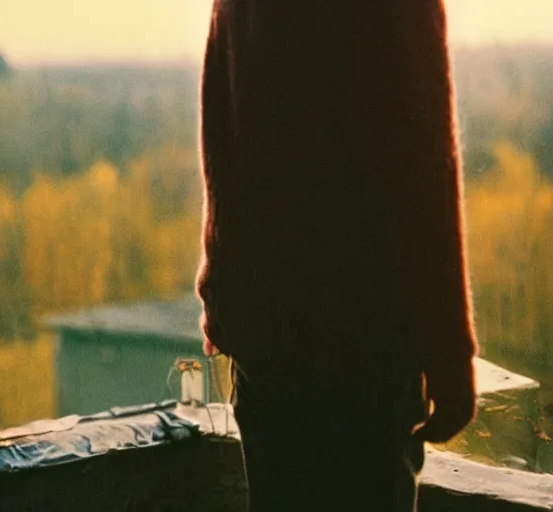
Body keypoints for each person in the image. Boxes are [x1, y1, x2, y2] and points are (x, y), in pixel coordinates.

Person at [196, 1, 478, 510]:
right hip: (364, 344)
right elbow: (422, 158)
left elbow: (222, 123)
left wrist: (224, 294)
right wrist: (448, 353)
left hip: (269, 340)